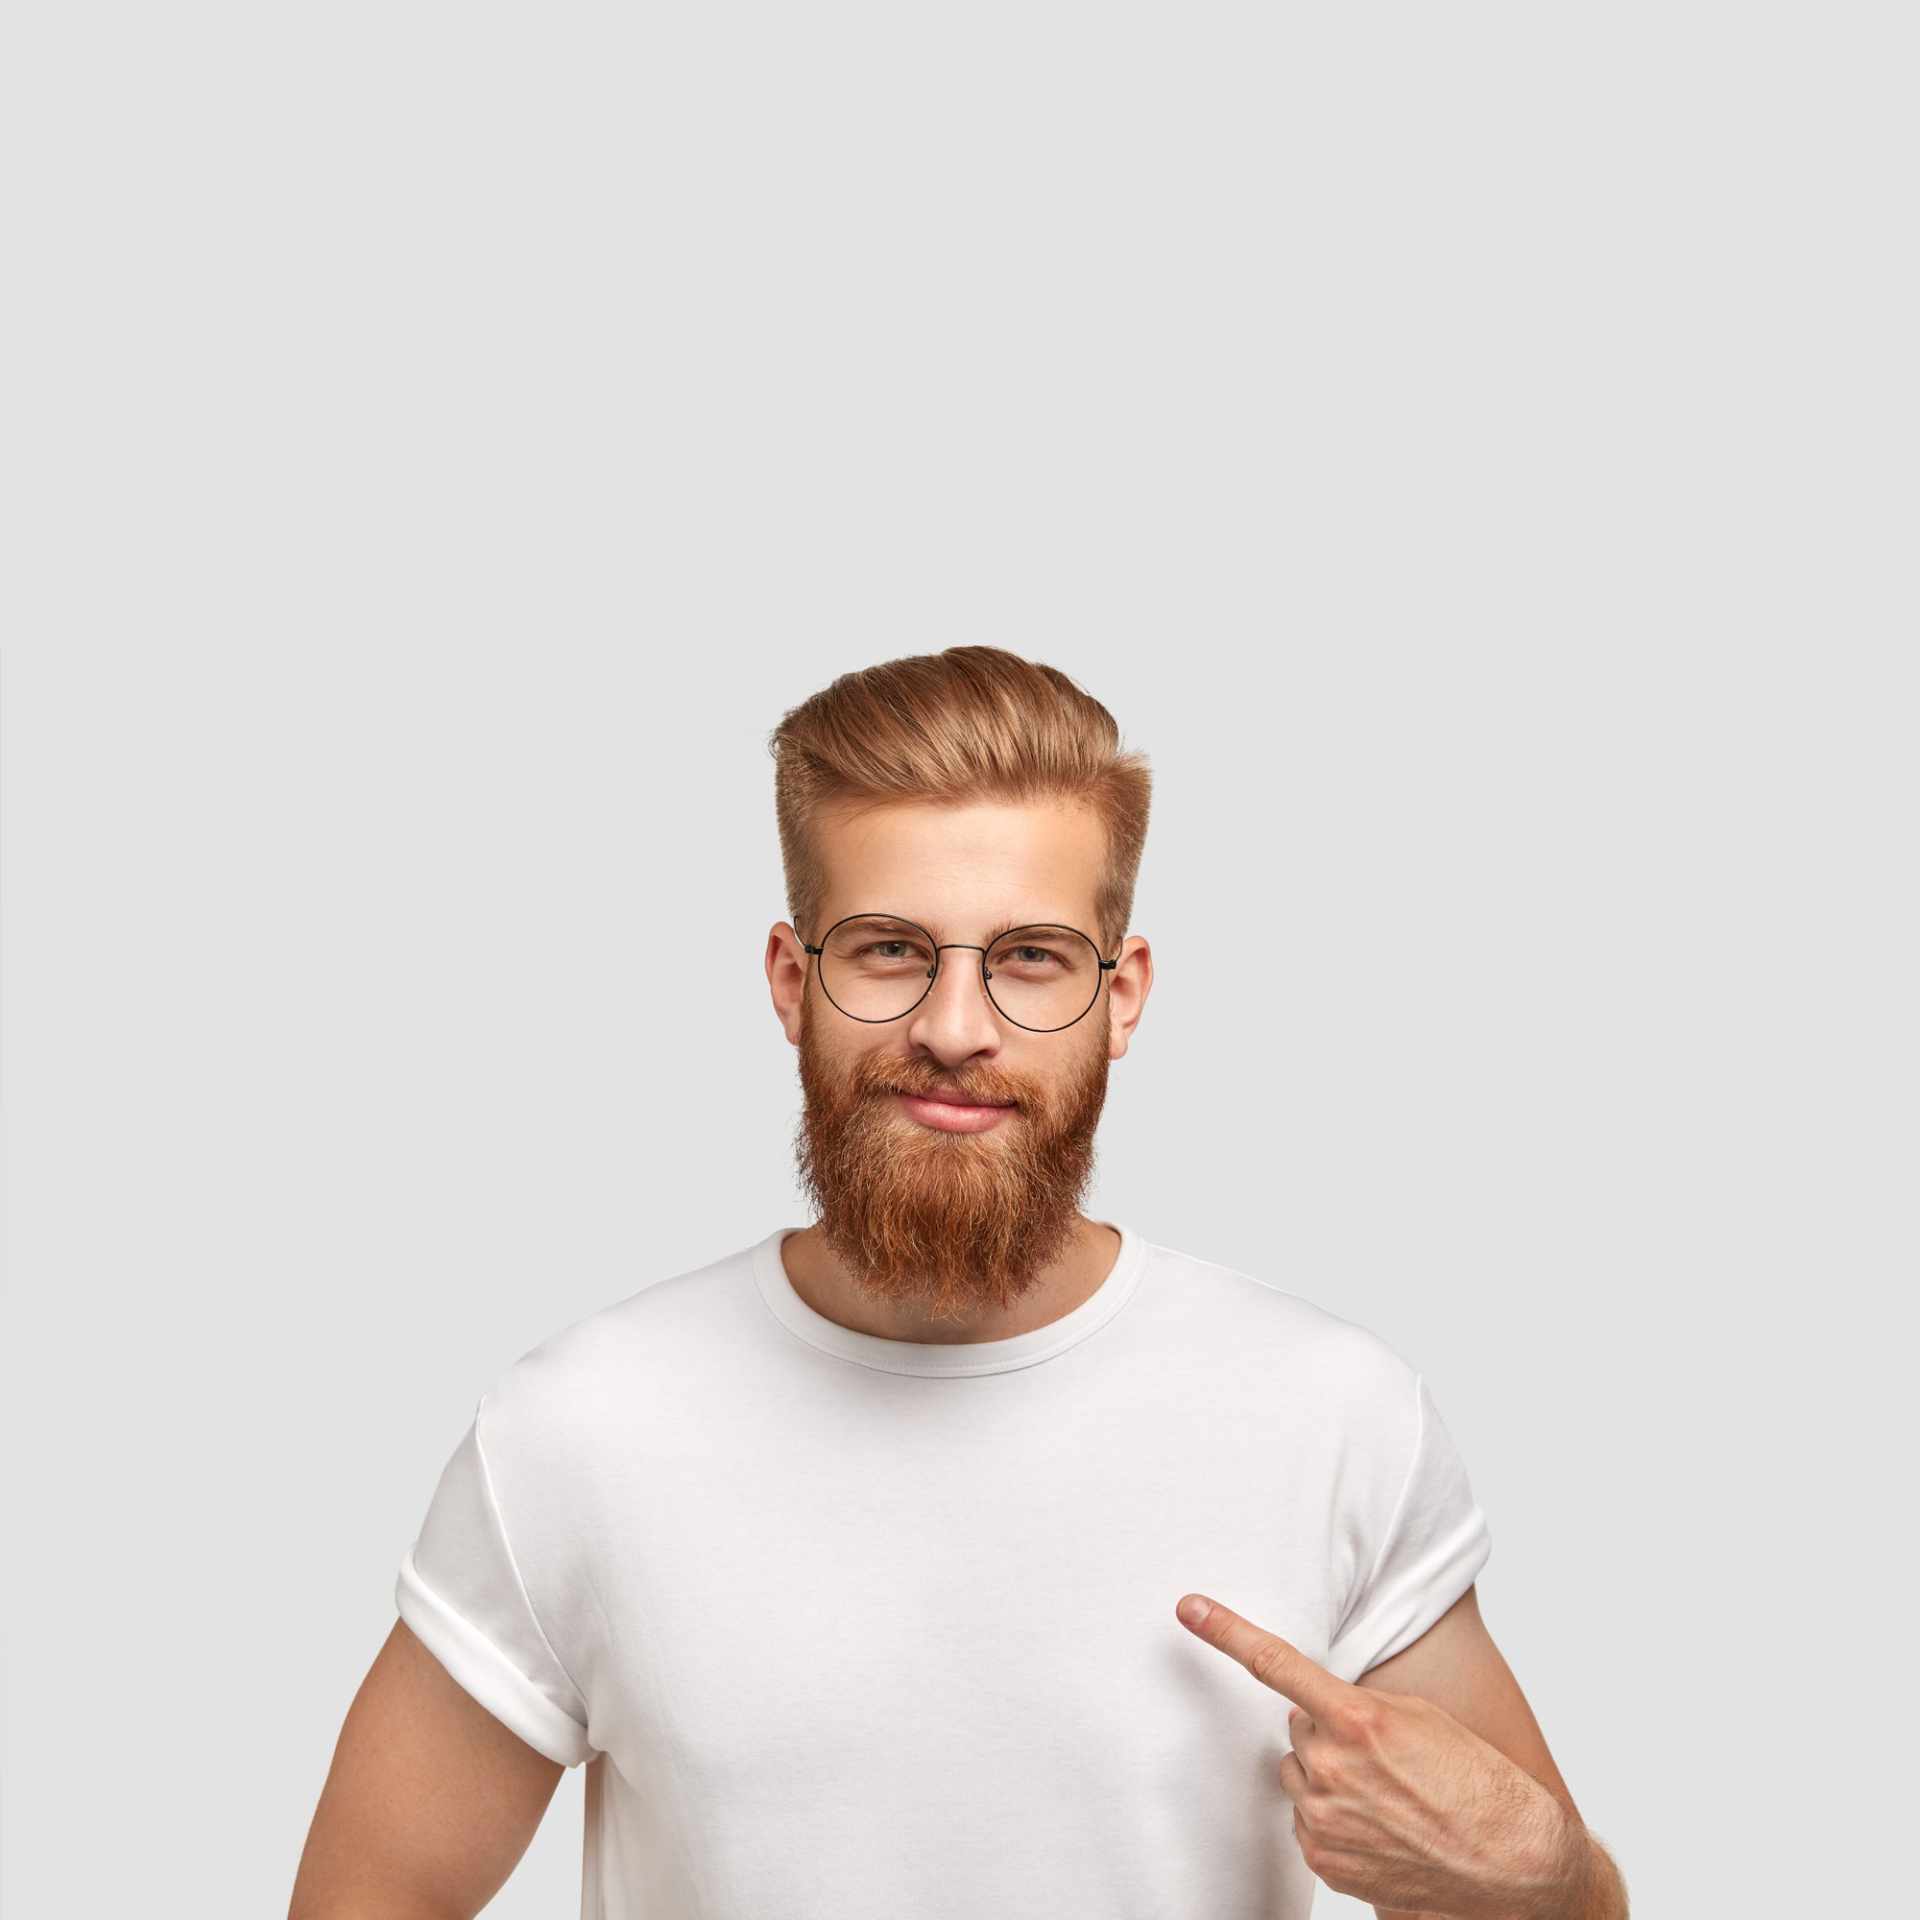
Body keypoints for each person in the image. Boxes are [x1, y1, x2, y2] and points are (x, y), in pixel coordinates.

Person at [289, 647, 1626, 1920]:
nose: (953, 1027)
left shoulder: (1335, 1416)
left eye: (1031, 957)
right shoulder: (581, 1427)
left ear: (1122, 996)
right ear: (791, 981)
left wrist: (1553, 1878)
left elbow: (1546, 1897)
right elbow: (371, 1895)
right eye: (888, 948)